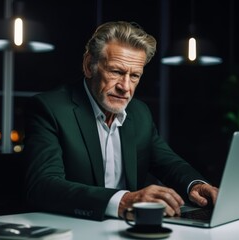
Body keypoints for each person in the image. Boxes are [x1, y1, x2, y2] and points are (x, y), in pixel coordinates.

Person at [23, 21, 218, 221]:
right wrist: (123, 200)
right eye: (116, 72)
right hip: (74, 227)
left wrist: (196, 185)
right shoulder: (49, 108)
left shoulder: (140, 112)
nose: (125, 87)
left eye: (134, 76)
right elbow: (42, 186)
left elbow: (169, 162)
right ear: (89, 65)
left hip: (129, 228)